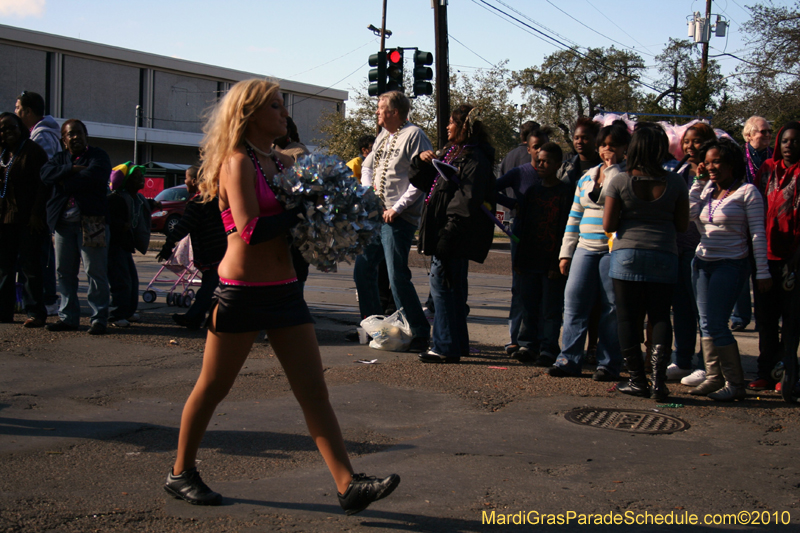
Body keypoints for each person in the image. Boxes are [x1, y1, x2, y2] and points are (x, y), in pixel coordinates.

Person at [165, 79, 398, 514]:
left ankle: (348, 484)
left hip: (285, 292)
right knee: (213, 387)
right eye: (275, 106)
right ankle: (181, 472)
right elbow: (250, 230)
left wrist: (335, 213)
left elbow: (309, 211)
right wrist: (304, 209)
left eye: (282, 106)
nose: (285, 113)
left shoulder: (279, 161)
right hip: (242, 294)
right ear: (250, 114)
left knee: (313, 390)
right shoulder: (237, 162)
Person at [603, 125, 689, 400]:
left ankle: (637, 380)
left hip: (627, 255)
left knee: (627, 319)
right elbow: (682, 225)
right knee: (660, 316)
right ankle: (658, 382)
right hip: (664, 254)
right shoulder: (676, 182)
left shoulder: (620, 181)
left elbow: (609, 224)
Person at [411, 104, 496, 363]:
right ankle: (456, 343)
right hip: (446, 228)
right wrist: (420, 162)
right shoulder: (451, 152)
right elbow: (426, 183)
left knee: (443, 287)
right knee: (453, 289)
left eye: (451, 122)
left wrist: (449, 232)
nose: (447, 127)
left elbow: (467, 199)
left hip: (454, 233)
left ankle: (445, 346)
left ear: (464, 127)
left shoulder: (474, 158)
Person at [689, 138, 771, 400]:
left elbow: (757, 234)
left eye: (717, 162)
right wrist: (698, 181)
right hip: (702, 263)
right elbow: (690, 214)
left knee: (716, 323)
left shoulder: (747, 192)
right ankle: (714, 377)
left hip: (731, 264)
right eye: (707, 162)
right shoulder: (707, 190)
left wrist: (762, 272)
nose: (711, 167)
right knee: (705, 323)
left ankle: (735, 384)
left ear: (731, 164)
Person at [551, 122, 630, 380]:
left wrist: (613, 168)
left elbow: (612, 195)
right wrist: (566, 252)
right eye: (604, 145)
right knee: (574, 302)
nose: (608, 150)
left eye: (614, 146)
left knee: (611, 307)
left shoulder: (626, 176)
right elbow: (575, 215)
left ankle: (608, 364)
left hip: (613, 249)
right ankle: (568, 359)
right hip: (584, 247)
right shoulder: (586, 178)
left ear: (625, 149)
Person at [354, 90, 432, 350]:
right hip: (377, 215)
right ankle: (375, 328)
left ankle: (419, 331)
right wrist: (368, 192)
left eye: (380, 108)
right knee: (363, 269)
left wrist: (397, 208)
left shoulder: (414, 135)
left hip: (399, 218)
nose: (377, 112)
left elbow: (422, 178)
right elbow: (367, 166)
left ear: (394, 112)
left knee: (396, 275)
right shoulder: (382, 137)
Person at [40, 119, 112, 335]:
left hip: (92, 222)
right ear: (64, 139)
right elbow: (45, 175)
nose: (75, 137)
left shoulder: (98, 156)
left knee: (95, 272)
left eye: (79, 133)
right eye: (70, 134)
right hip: (63, 225)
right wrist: (71, 169)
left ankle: (99, 319)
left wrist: (64, 181)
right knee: (64, 272)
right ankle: (68, 318)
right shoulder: (59, 158)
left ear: (85, 135)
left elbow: (95, 176)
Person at [512, 142, 572, 366]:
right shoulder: (532, 191)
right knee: (529, 305)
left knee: (550, 308)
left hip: (551, 261)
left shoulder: (565, 193)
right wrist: (519, 259)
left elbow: (565, 228)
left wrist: (558, 261)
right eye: (539, 161)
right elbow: (523, 226)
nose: (541, 165)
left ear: (557, 164)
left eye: (546, 161)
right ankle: (528, 345)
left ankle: (548, 348)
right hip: (530, 258)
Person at [751, 121, 800, 392]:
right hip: (765, 255)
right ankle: (765, 373)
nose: (790, 145)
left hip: (794, 257)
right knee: (766, 319)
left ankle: (787, 374)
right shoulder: (768, 169)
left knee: (791, 320)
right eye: (785, 140)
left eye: (795, 141)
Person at [669, 123, 717, 385]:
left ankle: (707, 365)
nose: (689, 146)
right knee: (681, 309)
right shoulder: (678, 171)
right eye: (686, 141)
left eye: (696, 141)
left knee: (703, 311)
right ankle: (682, 360)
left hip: (701, 249)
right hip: (676, 248)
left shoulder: (715, 174)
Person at [495, 127, 549, 358]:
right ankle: (515, 338)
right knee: (520, 287)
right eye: (536, 147)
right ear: (528, 149)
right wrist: (512, 203)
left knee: (545, 288)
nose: (540, 151)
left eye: (544, 146)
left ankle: (542, 340)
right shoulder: (520, 172)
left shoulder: (556, 175)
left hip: (547, 235)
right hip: (522, 234)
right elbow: (490, 189)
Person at [157, 165, 227, 329]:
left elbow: (182, 227)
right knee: (210, 285)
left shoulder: (198, 203)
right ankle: (196, 317)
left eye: (187, 178)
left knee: (208, 287)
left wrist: (168, 246)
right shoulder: (215, 199)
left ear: (195, 181)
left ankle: (194, 317)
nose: (185, 181)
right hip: (220, 249)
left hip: (211, 251)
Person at [0, 112, 49, 326]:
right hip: (4, 219)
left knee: (31, 268)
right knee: (4, 267)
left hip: (28, 219)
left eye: (12, 127)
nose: (8, 132)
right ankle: (4, 311)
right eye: (3, 129)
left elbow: (43, 185)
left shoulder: (33, 151)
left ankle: (35, 312)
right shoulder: (2, 153)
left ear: (20, 128)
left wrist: (37, 214)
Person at [16, 90, 61, 316]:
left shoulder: (42, 137)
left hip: (40, 206)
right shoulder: (40, 133)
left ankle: (47, 300)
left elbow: (41, 177)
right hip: (39, 205)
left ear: (28, 111)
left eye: (17, 108)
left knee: (40, 254)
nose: (15, 112)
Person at [729, 116, 774, 333]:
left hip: (768, 217)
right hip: (741, 216)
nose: (767, 135)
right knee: (741, 267)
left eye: (769, 132)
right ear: (748, 135)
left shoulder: (774, 157)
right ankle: (740, 316)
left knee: (764, 268)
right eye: (762, 132)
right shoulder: (738, 157)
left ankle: (768, 315)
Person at [107, 162, 151, 327]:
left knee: (132, 280)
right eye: (136, 177)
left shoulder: (137, 199)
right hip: (115, 246)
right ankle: (116, 315)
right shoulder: (116, 198)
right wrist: (121, 224)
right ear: (126, 181)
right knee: (121, 281)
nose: (142, 179)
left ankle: (128, 312)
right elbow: (108, 218)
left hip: (125, 246)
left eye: (141, 176)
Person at [557, 117, 602, 187]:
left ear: (595, 140)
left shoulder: (605, 166)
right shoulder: (565, 167)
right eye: (576, 138)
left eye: (585, 138)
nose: (579, 142)